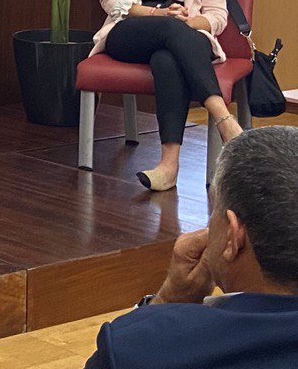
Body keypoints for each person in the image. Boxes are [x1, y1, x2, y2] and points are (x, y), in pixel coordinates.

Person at [84, 126, 298, 368]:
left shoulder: (135, 350)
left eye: (215, 209)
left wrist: (167, 300)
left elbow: (135, 348)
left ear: (233, 236)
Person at [91, 0, 242, 191]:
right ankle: (223, 117)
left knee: (166, 60)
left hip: (182, 35)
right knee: (168, 30)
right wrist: (158, 14)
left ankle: (168, 167)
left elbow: (216, 16)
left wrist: (190, 22)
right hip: (131, 31)